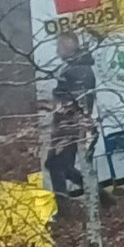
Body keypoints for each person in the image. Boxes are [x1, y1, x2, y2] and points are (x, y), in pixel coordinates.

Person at [46, 32, 95, 196]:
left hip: (70, 127)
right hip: (66, 126)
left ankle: (65, 210)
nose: (57, 51)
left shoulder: (79, 69)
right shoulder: (73, 67)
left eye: (60, 46)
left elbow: (79, 101)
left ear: (70, 46)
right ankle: (98, 195)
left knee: (56, 166)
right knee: (58, 165)